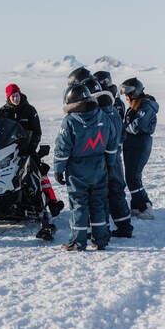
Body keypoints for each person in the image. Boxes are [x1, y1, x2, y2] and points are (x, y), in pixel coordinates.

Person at [0, 83, 64, 217]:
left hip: (26, 148)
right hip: (6, 149)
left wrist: (31, 146)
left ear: (20, 95)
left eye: (17, 95)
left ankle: (52, 201)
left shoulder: (29, 110)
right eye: (13, 96)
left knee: (38, 168)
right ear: (8, 97)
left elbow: (37, 131)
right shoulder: (3, 111)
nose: (15, 98)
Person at [53, 83, 118, 251]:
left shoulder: (70, 121)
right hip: (99, 168)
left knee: (79, 205)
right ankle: (101, 240)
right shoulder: (103, 116)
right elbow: (112, 144)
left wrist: (59, 170)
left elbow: (62, 148)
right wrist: (109, 165)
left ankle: (78, 242)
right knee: (98, 203)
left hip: (77, 171)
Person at [82, 77, 133, 238]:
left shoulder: (98, 113)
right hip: (116, 156)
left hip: (103, 158)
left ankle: (102, 230)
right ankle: (125, 226)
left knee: (100, 193)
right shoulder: (112, 109)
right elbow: (123, 134)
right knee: (117, 190)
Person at [119, 77, 159, 220]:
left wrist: (122, 129)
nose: (125, 97)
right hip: (132, 143)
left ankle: (145, 207)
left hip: (140, 144)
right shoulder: (136, 105)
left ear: (134, 92)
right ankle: (136, 207)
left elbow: (138, 126)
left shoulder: (146, 106)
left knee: (133, 177)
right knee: (131, 176)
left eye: (127, 93)